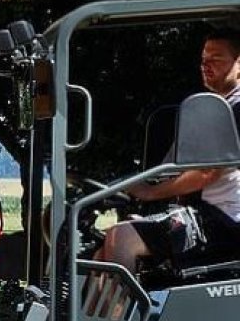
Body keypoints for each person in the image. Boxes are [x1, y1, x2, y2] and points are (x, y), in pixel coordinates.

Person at [100, 29, 240, 271]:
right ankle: (82, 310)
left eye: (215, 60)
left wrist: (150, 192)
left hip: (225, 222)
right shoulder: (219, 105)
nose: (206, 66)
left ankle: (117, 310)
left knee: (121, 239)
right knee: (101, 250)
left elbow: (208, 173)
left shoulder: (236, 109)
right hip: (209, 215)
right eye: (203, 61)